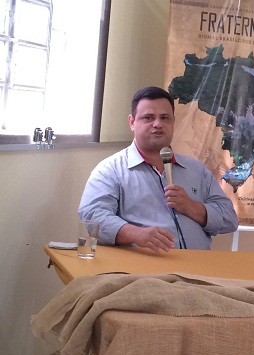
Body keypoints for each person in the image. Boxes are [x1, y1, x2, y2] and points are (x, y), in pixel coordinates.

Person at [78, 86, 238, 253]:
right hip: (143, 267)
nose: (158, 124)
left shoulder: (196, 170)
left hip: (199, 266)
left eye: (165, 118)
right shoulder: (110, 170)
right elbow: (93, 216)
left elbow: (229, 218)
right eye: (148, 118)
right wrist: (136, 234)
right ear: (132, 122)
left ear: (173, 122)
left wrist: (192, 207)